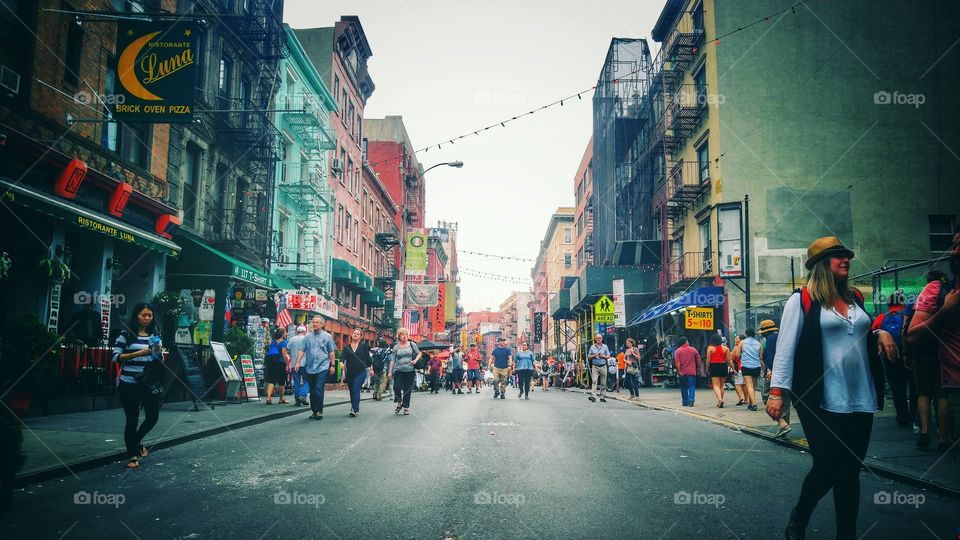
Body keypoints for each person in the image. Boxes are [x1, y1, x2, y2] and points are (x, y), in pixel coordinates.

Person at [767, 236, 897, 540]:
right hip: (819, 398)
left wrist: (878, 332)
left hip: (860, 397)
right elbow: (785, 349)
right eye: (838, 256)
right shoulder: (802, 300)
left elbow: (857, 331)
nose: (845, 260)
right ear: (822, 265)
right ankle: (800, 516)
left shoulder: (856, 298)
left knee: (849, 470)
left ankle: (845, 534)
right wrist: (777, 393)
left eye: (846, 256)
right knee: (827, 465)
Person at [908, 227, 959, 452]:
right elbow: (911, 333)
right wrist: (946, 310)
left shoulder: (925, 296)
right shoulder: (942, 292)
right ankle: (943, 437)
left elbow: (906, 333)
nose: (954, 251)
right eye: (953, 245)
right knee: (940, 395)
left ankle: (927, 433)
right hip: (937, 359)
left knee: (924, 393)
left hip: (924, 356)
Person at [112, 303, 164, 469]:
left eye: (150, 315)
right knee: (132, 419)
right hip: (129, 384)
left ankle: (136, 442)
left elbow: (159, 359)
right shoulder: (126, 334)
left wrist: (158, 353)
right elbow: (115, 357)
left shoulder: (155, 335)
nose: (147, 318)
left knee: (152, 417)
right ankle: (132, 456)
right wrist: (137, 353)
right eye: (143, 315)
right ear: (136, 315)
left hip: (148, 384)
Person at [872, 291, 915, 428]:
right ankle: (915, 417)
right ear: (902, 302)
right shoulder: (906, 316)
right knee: (914, 387)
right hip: (908, 354)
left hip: (889, 357)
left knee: (897, 387)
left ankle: (902, 417)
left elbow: (873, 333)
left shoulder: (881, 317)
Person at [296, 315, 337, 420]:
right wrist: (297, 362)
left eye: (317, 322)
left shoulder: (327, 337)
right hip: (309, 367)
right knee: (313, 391)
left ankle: (319, 411)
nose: (314, 324)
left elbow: (331, 351)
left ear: (322, 324)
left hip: (322, 366)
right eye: (313, 322)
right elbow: (302, 350)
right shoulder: (307, 337)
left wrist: (332, 365)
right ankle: (314, 411)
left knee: (319, 388)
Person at [759, 319, 792, 438]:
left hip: (775, 373)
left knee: (766, 395)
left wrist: (770, 370)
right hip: (787, 372)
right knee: (785, 400)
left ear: (764, 332)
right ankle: (784, 430)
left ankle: (782, 424)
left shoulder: (771, 339)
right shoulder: (780, 336)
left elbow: (772, 356)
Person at [389, 328, 422, 415]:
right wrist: (389, 371)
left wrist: (415, 360)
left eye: (406, 335)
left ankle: (406, 407)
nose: (405, 336)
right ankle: (399, 402)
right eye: (403, 334)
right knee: (396, 386)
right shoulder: (396, 347)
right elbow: (392, 359)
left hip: (410, 370)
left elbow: (419, 353)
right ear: (399, 336)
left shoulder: (412, 344)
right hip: (398, 370)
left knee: (407, 389)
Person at [340, 328, 371, 417]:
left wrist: (371, 368)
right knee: (352, 390)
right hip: (349, 372)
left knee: (356, 388)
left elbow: (368, 358)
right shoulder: (347, 347)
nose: (355, 335)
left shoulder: (364, 346)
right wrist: (341, 363)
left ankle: (354, 408)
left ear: (360, 337)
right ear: (352, 335)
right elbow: (343, 357)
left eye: (358, 334)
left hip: (361, 372)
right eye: (354, 333)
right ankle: (354, 406)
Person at [738, 328, 764, 411]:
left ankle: (754, 403)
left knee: (749, 386)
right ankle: (750, 403)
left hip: (746, 366)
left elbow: (738, 354)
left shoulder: (742, 342)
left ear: (746, 334)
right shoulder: (758, 343)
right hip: (756, 366)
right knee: (753, 386)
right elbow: (761, 357)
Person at [263, 327, 289, 405]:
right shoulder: (284, 342)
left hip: (271, 363)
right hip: (280, 363)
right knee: (281, 382)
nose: (286, 334)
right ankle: (281, 398)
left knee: (271, 380)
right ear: (282, 334)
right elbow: (284, 353)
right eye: (285, 332)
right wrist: (287, 363)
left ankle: (268, 397)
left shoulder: (273, 342)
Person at [706, 334, 733, 407]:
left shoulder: (710, 348)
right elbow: (729, 360)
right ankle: (720, 401)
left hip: (714, 366)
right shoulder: (725, 348)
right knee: (721, 386)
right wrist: (733, 368)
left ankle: (720, 399)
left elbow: (708, 360)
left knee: (715, 385)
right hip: (723, 366)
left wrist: (707, 368)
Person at [673, 337, 701, 407]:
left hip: (683, 372)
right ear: (686, 342)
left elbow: (677, 362)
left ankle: (685, 401)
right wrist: (698, 368)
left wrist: (679, 371)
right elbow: (698, 360)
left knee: (683, 387)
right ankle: (691, 400)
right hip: (692, 372)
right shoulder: (693, 349)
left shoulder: (677, 351)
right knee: (692, 386)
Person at [287, 325, 309, 407]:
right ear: (304, 332)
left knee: (296, 382)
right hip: (305, 363)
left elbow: (287, 349)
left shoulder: (292, 339)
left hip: (294, 364)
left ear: (297, 331)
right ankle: (303, 396)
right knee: (307, 381)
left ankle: (297, 399)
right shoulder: (307, 339)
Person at [587, 333, 610, 403]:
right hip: (595, 366)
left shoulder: (605, 346)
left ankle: (602, 396)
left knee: (603, 382)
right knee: (594, 381)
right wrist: (594, 355)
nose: (599, 339)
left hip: (603, 365)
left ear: (602, 339)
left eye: (600, 338)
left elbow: (608, 356)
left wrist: (602, 356)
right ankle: (593, 396)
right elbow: (588, 357)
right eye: (597, 338)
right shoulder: (592, 347)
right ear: (595, 339)